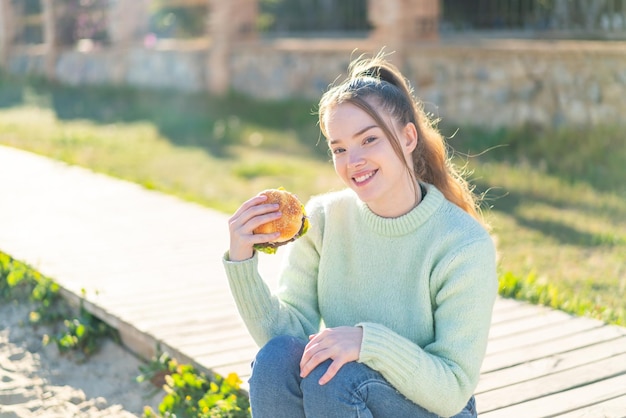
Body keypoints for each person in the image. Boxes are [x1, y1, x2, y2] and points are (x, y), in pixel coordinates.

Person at [223, 51, 498, 418]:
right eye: (339, 148)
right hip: (345, 399)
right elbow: (287, 338)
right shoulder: (322, 219)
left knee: (336, 377)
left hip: (436, 408)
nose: (353, 162)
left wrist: (368, 343)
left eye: (369, 140)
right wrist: (242, 260)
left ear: (409, 137)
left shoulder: (462, 243)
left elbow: (451, 391)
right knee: (276, 359)